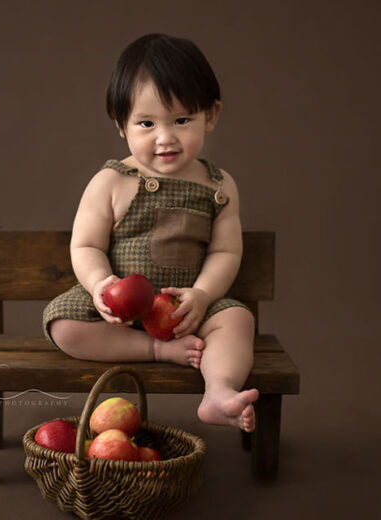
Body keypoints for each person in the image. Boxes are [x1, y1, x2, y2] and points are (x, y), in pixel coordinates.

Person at [43, 34, 259, 432]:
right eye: (146, 123)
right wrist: (99, 285)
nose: (165, 137)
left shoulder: (219, 185)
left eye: (181, 120)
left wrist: (204, 295)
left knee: (237, 321)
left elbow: (225, 253)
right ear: (121, 126)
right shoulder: (111, 180)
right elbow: (86, 244)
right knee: (63, 324)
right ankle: (157, 350)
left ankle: (218, 391)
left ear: (210, 116)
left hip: (185, 310)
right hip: (121, 314)